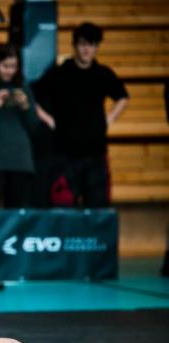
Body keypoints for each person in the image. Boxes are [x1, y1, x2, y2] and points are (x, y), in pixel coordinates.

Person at [33, 22, 129, 208]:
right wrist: (49, 120)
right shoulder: (60, 73)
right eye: (83, 44)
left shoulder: (103, 73)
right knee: (63, 206)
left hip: (96, 152)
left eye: (92, 45)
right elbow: (33, 96)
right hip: (65, 153)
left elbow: (123, 97)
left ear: (97, 47)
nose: (87, 49)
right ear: (75, 45)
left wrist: (109, 119)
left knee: (98, 206)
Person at [0, 44, 38, 208]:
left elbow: (34, 128)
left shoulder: (24, 88)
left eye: (14, 66)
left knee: (15, 214)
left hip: (20, 161)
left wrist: (25, 106)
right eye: (5, 66)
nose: (9, 71)